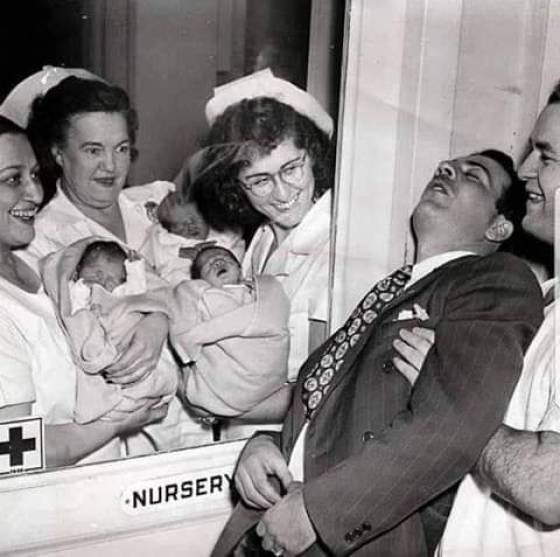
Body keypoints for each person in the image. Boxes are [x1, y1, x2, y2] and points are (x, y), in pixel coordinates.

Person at [212, 149, 543, 556]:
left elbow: (454, 424)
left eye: (473, 176)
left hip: (355, 537)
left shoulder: (493, 279)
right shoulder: (391, 288)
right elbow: (332, 408)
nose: (447, 169)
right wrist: (265, 445)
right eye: (448, 165)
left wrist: (321, 512)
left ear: (498, 226)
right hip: (275, 517)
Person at [4, 68, 211, 452]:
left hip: (202, 426)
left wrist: (161, 319)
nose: (111, 167)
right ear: (58, 154)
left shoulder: (151, 206)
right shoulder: (42, 244)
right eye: (93, 150)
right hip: (132, 443)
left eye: (121, 148)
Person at [394, 81, 560, 556]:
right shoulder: (544, 298)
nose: (526, 169)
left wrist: (445, 394)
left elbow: (549, 485)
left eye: (545, 157)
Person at [0, 115, 166, 467]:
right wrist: (120, 421)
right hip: (57, 507)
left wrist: (156, 321)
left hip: (113, 480)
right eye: (13, 179)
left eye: (33, 174)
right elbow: (12, 454)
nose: (35, 192)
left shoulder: (39, 257)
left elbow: (146, 283)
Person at [193, 68, 334, 394]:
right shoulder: (262, 239)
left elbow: (319, 392)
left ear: (311, 154)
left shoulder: (335, 248)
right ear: (236, 185)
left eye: (291, 169)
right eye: (260, 181)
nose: (282, 194)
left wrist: (213, 404)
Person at [40, 238, 177, 425]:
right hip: (99, 342)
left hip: (127, 335)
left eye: (114, 278)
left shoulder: (121, 293)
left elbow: (139, 294)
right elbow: (73, 307)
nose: (104, 281)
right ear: (78, 272)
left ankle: (145, 392)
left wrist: (135, 269)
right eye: (96, 274)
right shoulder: (80, 291)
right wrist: (79, 288)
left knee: (148, 377)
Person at [169, 245, 290, 425]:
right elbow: (183, 321)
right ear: (201, 281)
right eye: (208, 265)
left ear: (241, 270)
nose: (217, 261)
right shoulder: (203, 297)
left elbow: (272, 316)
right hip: (227, 381)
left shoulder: (259, 293)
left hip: (265, 372)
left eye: (226, 258)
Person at [140, 185, 244, 286]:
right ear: (169, 230)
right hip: (178, 285)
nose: (191, 226)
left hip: (220, 279)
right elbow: (151, 254)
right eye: (181, 226)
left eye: (194, 219)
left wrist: (213, 250)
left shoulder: (220, 233)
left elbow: (236, 237)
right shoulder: (165, 238)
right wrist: (178, 251)